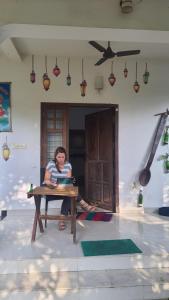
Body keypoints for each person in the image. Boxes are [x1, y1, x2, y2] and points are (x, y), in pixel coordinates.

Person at [44, 146, 96, 230]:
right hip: (52, 189)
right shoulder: (51, 164)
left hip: (64, 190)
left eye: (63, 157)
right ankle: (84, 204)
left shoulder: (68, 165)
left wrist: (64, 185)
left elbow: (68, 181)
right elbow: (46, 180)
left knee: (70, 193)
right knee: (70, 193)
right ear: (55, 157)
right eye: (59, 157)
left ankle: (61, 219)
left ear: (65, 157)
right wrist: (53, 184)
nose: (61, 159)